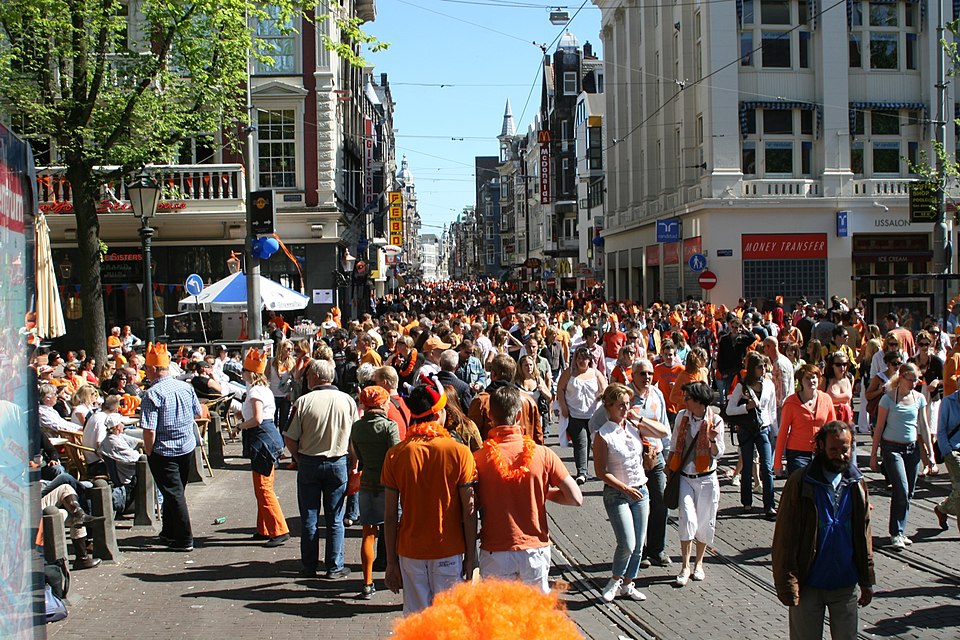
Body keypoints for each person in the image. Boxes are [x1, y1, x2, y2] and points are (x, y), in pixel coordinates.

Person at [381, 379, 478, 614]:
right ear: (438, 415)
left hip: (410, 551)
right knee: (447, 621)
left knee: (416, 620)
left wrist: (391, 562)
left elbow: (390, 514)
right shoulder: (460, 452)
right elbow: (469, 511)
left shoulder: (396, 454)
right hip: (448, 549)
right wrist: (471, 557)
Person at [772, 420, 875, 640]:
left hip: (845, 584)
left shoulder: (856, 483)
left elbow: (864, 533)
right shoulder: (801, 482)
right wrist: (787, 584)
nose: (840, 455)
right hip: (808, 585)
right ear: (820, 447)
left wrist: (866, 579)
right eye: (834, 450)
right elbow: (785, 537)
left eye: (845, 449)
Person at [474, 385, 582, 593]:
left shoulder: (478, 458)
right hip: (535, 550)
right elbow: (576, 498)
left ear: (489, 415)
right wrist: (544, 493)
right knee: (533, 618)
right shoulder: (543, 454)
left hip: (495, 550)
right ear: (519, 415)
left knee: (497, 618)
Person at [595, 383, 668, 602]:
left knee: (638, 544)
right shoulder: (603, 434)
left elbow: (664, 432)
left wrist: (640, 420)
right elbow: (600, 472)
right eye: (620, 405)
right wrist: (624, 488)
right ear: (608, 406)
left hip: (641, 490)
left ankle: (628, 583)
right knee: (626, 542)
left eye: (627, 404)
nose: (625, 409)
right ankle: (615, 580)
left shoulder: (634, 426)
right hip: (617, 493)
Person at [284, 358, 358, 578]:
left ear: (315, 377)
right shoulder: (347, 401)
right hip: (338, 462)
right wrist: (354, 464)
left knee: (310, 516)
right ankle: (334, 566)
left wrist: (297, 458)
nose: (306, 378)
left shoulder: (303, 402)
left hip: (309, 462)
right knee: (335, 517)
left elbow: (289, 437)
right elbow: (355, 439)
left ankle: (309, 565)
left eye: (308, 375)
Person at [140, 342, 204, 552]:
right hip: (186, 446)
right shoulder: (186, 387)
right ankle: (169, 531)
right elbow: (198, 412)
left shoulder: (152, 394)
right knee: (174, 491)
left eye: (147, 370)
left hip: (164, 449)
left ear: (153, 369)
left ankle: (185, 538)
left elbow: (149, 430)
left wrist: (148, 451)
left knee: (174, 493)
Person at [869, 363, 935, 550]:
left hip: (912, 450)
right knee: (902, 489)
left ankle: (901, 530)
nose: (914, 383)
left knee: (909, 492)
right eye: (911, 380)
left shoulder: (919, 398)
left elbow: (924, 426)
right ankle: (896, 533)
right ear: (902, 377)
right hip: (892, 449)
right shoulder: (888, 399)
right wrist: (873, 455)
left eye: (917, 380)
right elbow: (879, 428)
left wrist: (930, 455)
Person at [668, 381, 725, 586]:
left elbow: (718, 453)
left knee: (704, 522)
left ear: (700, 401)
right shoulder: (681, 418)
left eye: (689, 398)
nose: (685, 401)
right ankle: (684, 566)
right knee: (687, 519)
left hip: (707, 478)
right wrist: (669, 468)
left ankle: (698, 564)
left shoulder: (716, 420)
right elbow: (674, 444)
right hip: (685, 477)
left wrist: (711, 440)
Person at [350, 385, 401, 599]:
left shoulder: (357, 427)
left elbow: (357, 454)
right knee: (395, 532)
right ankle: (399, 574)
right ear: (382, 403)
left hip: (367, 482)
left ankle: (367, 581)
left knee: (368, 534)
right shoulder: (390, 427)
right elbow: (396, 456)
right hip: (388, 485)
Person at [236, 348, 289, 548]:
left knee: (263, 487)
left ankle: (279, 529)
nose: (241, 373)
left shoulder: (256, 391)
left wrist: (240, 426)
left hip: (261, 439)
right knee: (263, 486)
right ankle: (264, 528)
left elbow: (257, 419)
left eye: (243, 369)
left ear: (250, 373)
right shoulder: (263, 390)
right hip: (267, 437)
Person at [627, 359, 672, 569]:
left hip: (656, 454)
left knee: (660, 501)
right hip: (634, 457)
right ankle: (640, 550)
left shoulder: (657, 394)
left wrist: (668, 451)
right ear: (633, 375)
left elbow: (664, 425)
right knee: (638, 503)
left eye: (650, 374)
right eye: (643, 373)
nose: (647, 378)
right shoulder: (625, 396)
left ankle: (657, 548)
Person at [726, 351, 778, 518]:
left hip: (763, 428)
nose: (763, 370)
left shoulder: (769, 385)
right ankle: (747, 502)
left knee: (767, 468)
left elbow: (772, 410)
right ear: (752, 368)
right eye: (759, 367)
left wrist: (775, 431)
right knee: (747, 466)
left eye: (764, 366)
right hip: (747, 430)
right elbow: (729, 410)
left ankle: (769, 505)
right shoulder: (742, 387)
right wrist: (745, 407)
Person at [557, 347, 607, 484]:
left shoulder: (596, 373)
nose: (581, 361)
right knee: (581, 442)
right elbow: (560, 389)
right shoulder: (569, 372)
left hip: (593, 415)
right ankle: (582, 472)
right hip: (574, 414)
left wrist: (601, 397)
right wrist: (563, 406)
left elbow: (604, 389)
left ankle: (602, 471)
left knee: (594, 444)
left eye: (584, 358)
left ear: (589, 360)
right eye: (578, 358)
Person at [775, 365, 836, 477]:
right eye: (807, 378)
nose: (811, 381)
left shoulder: (826, 399)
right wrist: (777, 462)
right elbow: (783, 433)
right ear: (801, 382)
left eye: (813, 377)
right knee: (802, 487)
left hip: (820, 452)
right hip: (797, 453)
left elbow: (833, 429)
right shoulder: (791, 403)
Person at [469, 354, 543, 443]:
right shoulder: (528, 400)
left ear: (493, 374)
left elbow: (472, 435)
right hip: (523, 453)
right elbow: (538, 435)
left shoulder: (481, 401)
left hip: (491, 454)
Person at [935, 387, 960, 532]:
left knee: (958, 491)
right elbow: (941, 430)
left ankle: (942, 509)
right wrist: (947, 451)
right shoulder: (948, 402)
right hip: (954, 451)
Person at [269, 340, 296, 433]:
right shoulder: (271, 361)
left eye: (291, 349)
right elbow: (265, 377)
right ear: (281, 349)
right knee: (273, 419)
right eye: (288, 349)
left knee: (284, 421)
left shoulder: (292, 362)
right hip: (273, 395)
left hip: (285, 395)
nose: (290, 351)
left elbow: (295, 380)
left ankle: (283, 442)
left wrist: (291, 392)